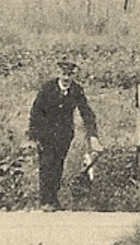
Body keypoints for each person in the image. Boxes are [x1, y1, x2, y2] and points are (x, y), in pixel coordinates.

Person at [27, 58, 100, 211]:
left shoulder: (77, 90)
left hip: (64, 135)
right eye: (63, 74)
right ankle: (45, 201)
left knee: (58, 165)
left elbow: (86, 112)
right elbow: (36, 111)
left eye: (70, 74)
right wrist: (35, 134)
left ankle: (53, 199)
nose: (66, 78)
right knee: (46, 164)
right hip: (45, 134)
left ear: (74, 75)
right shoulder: (47, 88)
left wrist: (93, 135)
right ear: (58, 73)